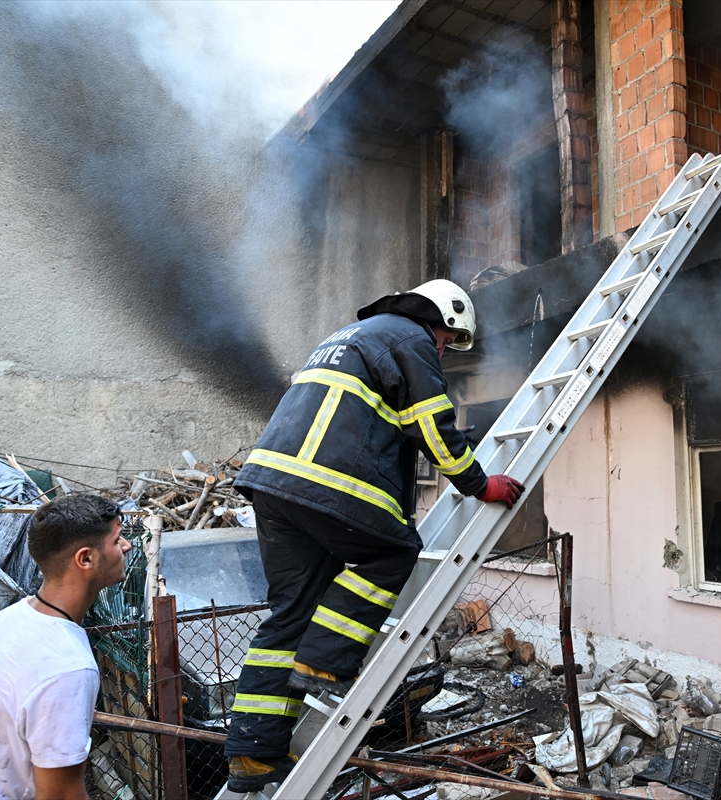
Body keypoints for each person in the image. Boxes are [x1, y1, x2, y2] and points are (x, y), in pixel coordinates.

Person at [224, 279, 525, 792]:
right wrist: (479, 484)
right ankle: (324, 662)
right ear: (442, 320)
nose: (445, 351)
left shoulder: (352, 335)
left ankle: (253, 755)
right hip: (324, 483)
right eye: (450, 341)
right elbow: (431, 423)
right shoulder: (409, 337)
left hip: (272, 485)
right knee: (394, 550)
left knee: (289, 616)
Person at [0, 494, 132, 800]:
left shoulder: (5, 622)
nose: (127, 545)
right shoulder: (68, 668)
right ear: (86, 559)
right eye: (117, 540)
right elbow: (62, 795)